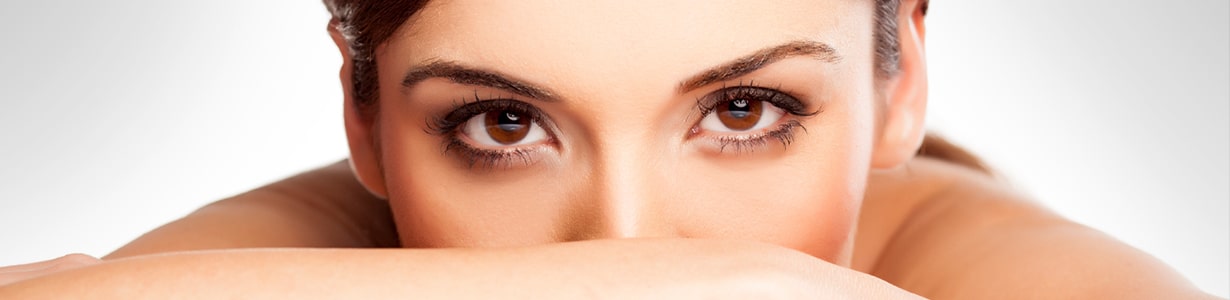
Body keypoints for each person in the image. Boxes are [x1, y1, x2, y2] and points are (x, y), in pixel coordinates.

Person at [0, 0, 1218, 298]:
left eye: (744, 113)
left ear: (904, 75)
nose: (626, 242)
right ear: (365, 121)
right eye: (505, 123)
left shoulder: (987, 249)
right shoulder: (326, 240)